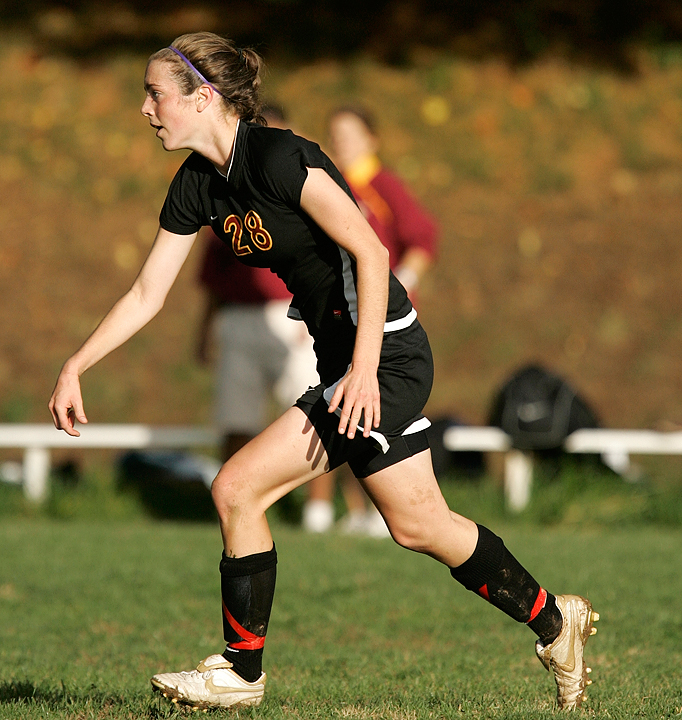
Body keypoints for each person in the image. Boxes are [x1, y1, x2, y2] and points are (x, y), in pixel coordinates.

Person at [48, 32, 599, 712]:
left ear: (203, 97)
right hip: (348, 360)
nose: (145, 109)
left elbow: (372, 253)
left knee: (237, 489)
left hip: (386, 353)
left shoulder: (282, 156)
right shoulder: (196, 185)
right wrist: (76, 365)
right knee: (419, 524)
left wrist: (362, 370)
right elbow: (145, 294)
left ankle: (241, 672)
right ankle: (556, 622)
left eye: (155, 93)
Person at [302, 105, 439, 536]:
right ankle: (348, 509)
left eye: (350, 134)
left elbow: (422, 237)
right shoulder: (327, 183)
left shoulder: (382, 185)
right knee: (344, 408)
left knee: (375, 411)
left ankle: (387, 508)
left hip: (383, 322)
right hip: (342, 317)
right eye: (335, 134)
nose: (341, 142)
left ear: (372, 140)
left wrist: (402, 283)